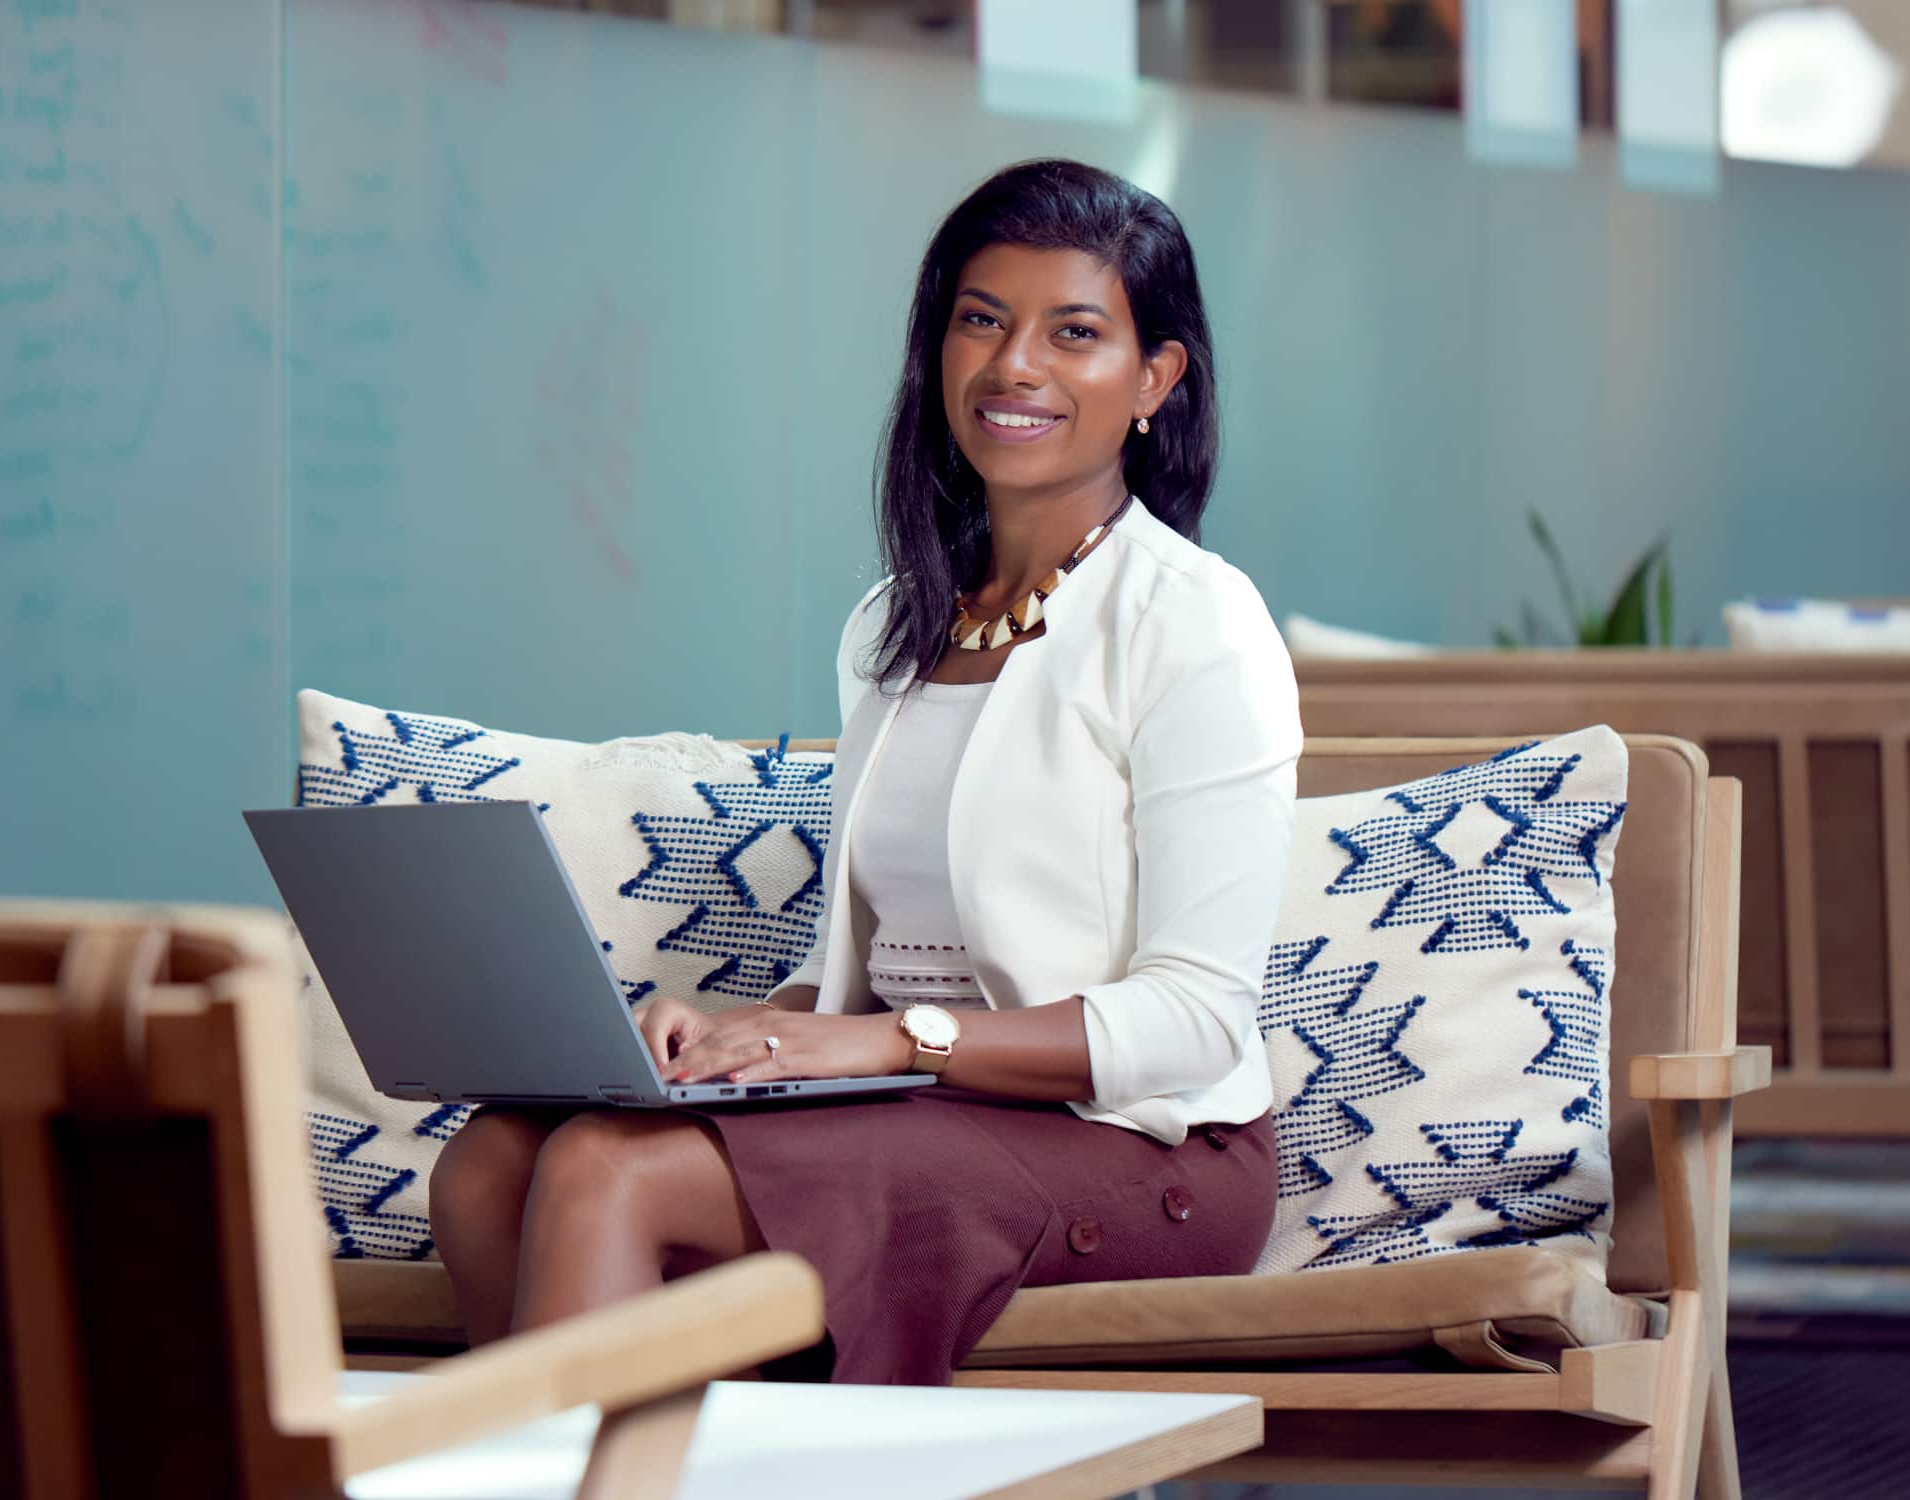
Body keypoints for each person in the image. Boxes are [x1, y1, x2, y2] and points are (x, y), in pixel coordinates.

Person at [428, 158, 1301, 1385]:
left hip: (1140, 1154)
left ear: (1155, 378)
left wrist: (895, 1044)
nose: (1013, 368)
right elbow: (888, 961)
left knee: (601, 1168)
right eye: (980, 321)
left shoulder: (1196, 624)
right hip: (924, 1104)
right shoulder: (894, 624)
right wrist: (745, 1033)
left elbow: (1193, 1016)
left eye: (1075, 333)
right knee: (493, 1160)